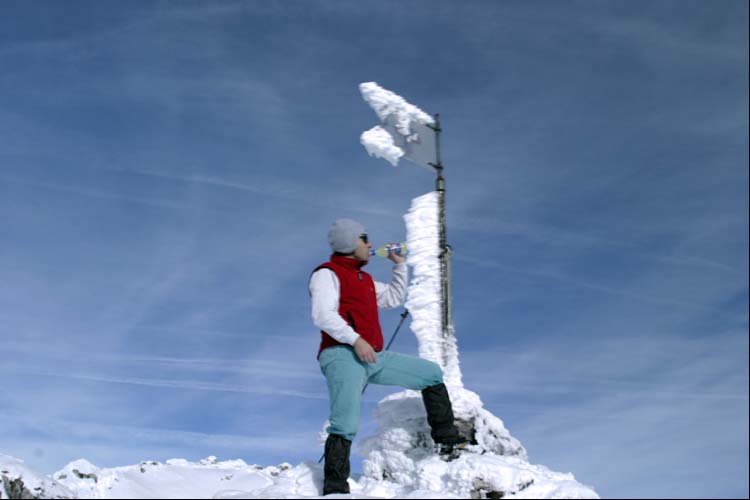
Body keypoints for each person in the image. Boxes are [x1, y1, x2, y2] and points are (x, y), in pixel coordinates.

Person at [309, 218, 466, 496]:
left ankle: (448, 443)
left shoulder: (365, 279)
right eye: (364, 238)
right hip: (342, 355)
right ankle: (335, 488)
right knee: (345, 422)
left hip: (373, 356)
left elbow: (393, 298)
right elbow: (323, 315)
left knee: (430, 373)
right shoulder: (327, 273)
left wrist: (399, 266)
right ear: (349, 242)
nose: (370, 244)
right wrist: (356, 340)